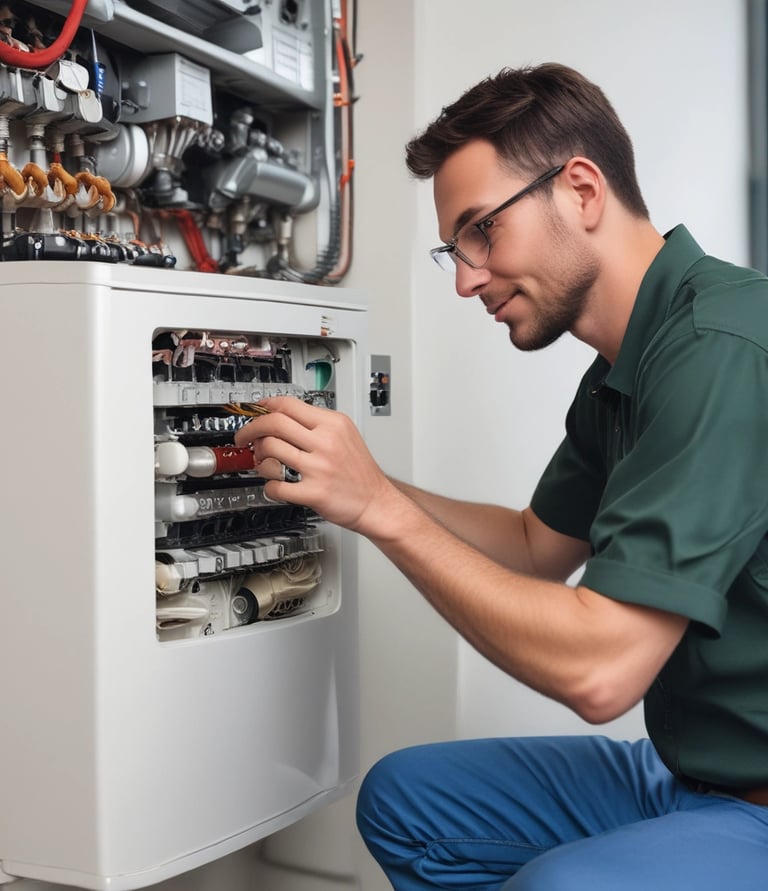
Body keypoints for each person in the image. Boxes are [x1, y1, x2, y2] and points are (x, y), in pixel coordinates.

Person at [233, 62, 768, 889]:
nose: (466, 278)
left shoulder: (721, 349)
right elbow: (530, 547)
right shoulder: (627, 368)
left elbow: (603, 671)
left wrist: (381, 511)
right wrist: (356, 480)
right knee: (406, 802)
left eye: (483, 231)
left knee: (557, 886)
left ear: (582, 189)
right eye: (455, 247)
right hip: (686, 777)